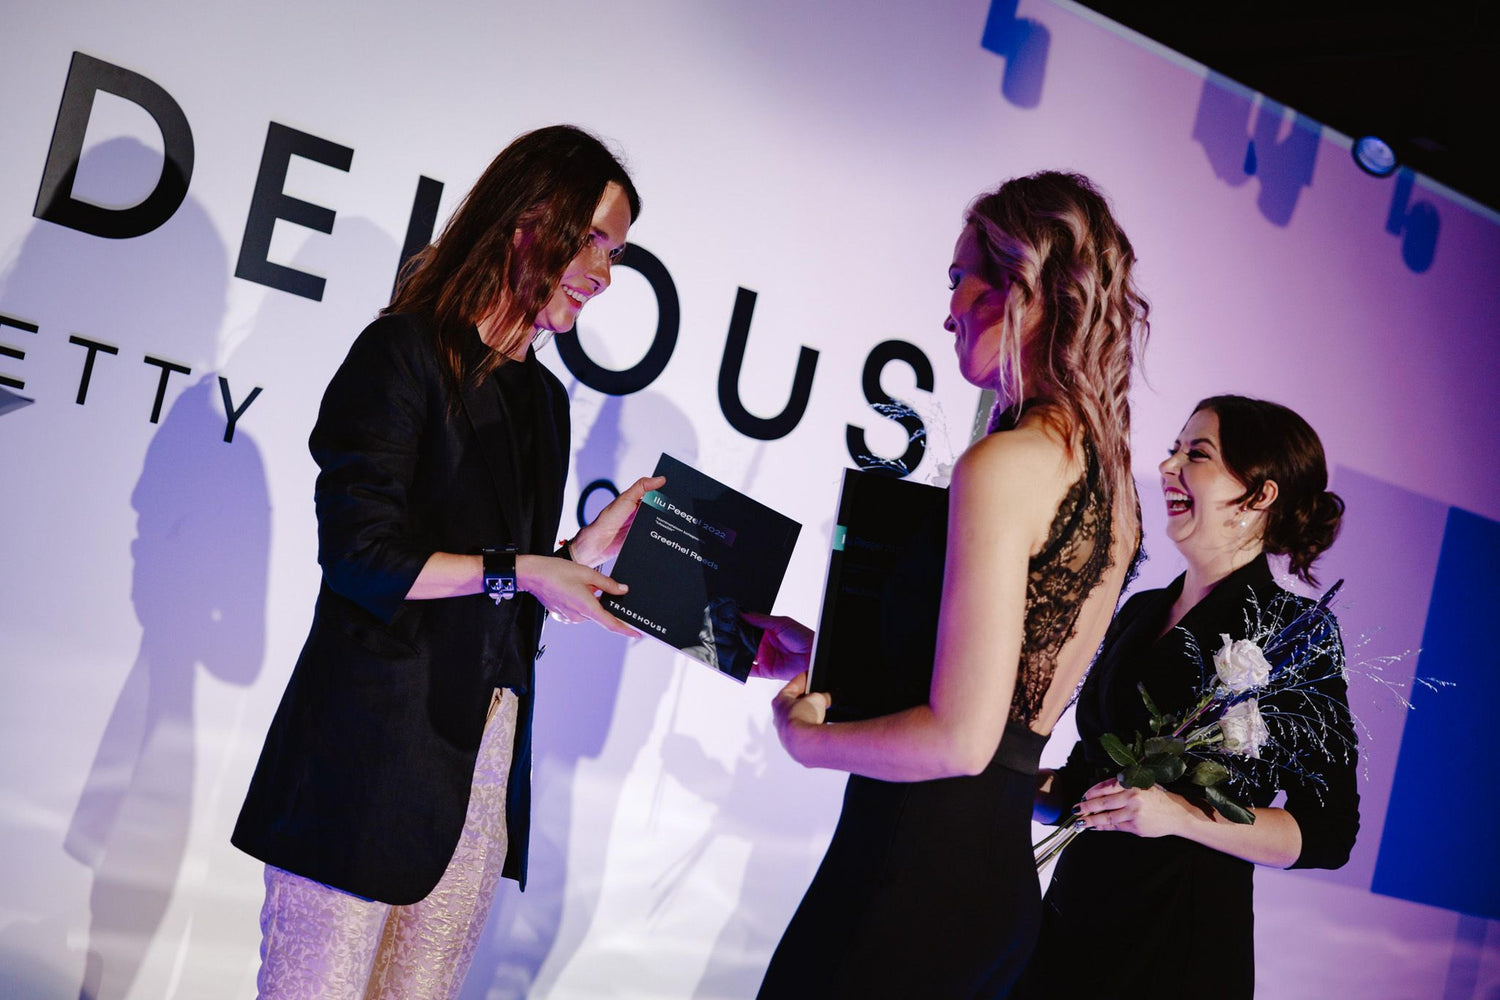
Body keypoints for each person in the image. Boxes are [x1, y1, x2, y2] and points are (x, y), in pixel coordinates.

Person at [231, 125, 662, 1000]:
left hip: (478, 779)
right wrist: (526, 570)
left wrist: (574, 558)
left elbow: (505, 583)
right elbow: (361, 557)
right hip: (360, 768)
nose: (604, 274)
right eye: (592, 241)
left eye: (614, 253)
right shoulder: (403, 353)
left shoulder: (544, 400)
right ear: (527, 222)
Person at [749, 171, 1150, 999]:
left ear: (1022, 287)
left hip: (909, 880)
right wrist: (825, 656)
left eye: (959, 278)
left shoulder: (1005, 464)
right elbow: (1000, 689)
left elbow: (962, 739)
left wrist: (805, 740)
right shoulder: (1114, 486)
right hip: (992, 894)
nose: (948, 311)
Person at [1011, 394, 1360, 1000]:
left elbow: (1327, 834)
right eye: (1175, 449)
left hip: (1178, 942)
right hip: (1074, 924)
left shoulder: (1295, 631)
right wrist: (1001, 781)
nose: (1168, 466)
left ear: (1259, 496)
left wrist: (1180, 816)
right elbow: (1084, 784)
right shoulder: (1141, 609)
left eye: (1196, 454)